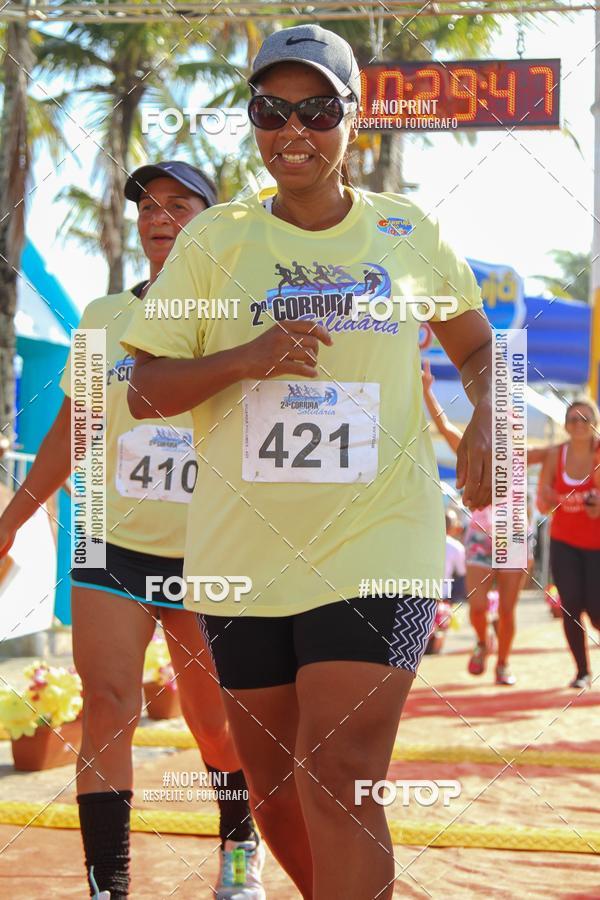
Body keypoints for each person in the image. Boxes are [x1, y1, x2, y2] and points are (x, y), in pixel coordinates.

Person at [121, 25, 493, 900]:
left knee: (340, 767)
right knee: (278, 788)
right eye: (271, 109)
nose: (295, 128)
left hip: (379, 539)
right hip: (244, 557)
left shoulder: (407, 233)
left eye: (319, 109)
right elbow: (143, 389)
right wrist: (244, 358)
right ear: (253, 121)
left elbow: (483, 352)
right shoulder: (217, 239)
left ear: (353, 118)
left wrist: (488, 427)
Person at [0, 161, 265, 900]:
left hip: (211, 547)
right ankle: (107, 886)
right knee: (109, 707)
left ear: (213, 221)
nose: (158, 215)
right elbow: (72, 428)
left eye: (180, 204)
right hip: (111, 544)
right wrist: (10, 521)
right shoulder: (101, 317)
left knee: (215, 729)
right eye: (149, 205)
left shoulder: (240, 316)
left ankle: (240, 850)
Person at [422, 359, 549, 685]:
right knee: (477, 608)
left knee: (507, 611)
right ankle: (481, 641)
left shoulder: (524, 455)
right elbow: (445, 427)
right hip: (480, 534)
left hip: (514, 535)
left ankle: (503, 664)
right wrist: (427, 393)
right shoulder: (473, 451)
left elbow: (561, 450)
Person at [537, 397, 600, 689]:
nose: (578, 425)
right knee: (571, 605)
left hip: (597, 544)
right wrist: (549, 499)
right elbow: (541, 502)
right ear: (565, 425)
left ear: (594, 424)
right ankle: (582, 672)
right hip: (564, 542)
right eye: (573, 419)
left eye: (585, 419)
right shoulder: (555, 455)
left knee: (596, 611)